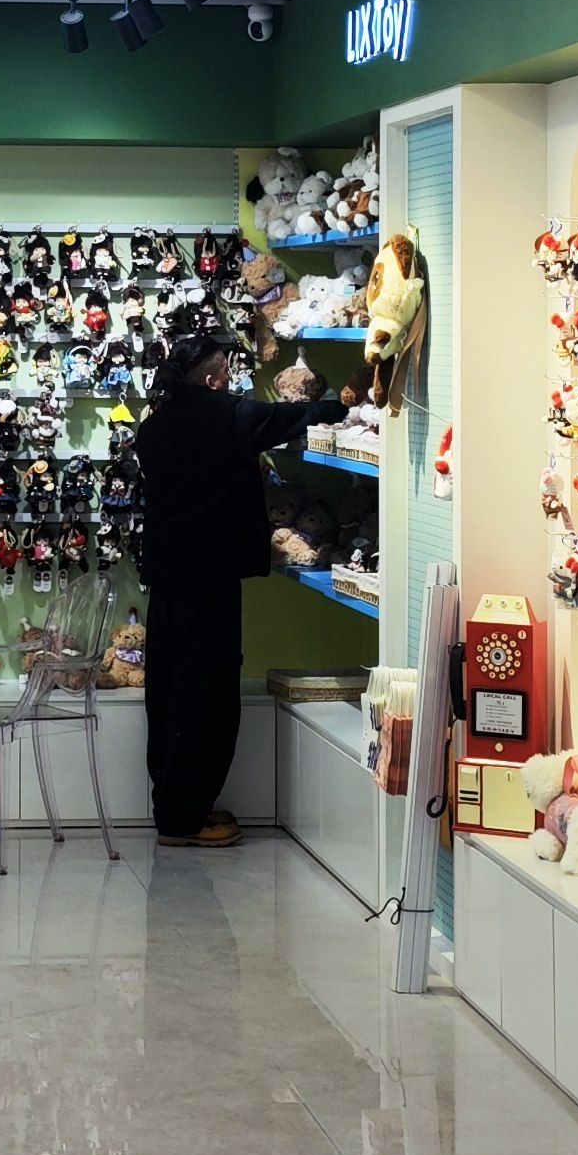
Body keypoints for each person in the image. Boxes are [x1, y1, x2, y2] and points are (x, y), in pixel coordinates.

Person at [130, 328, 343, 846]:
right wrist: (342, 406)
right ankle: (186, 819)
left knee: (168, 690)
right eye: (226, 371)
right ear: (210, 378)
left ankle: (174, 806)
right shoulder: (229, 415)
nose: (231, 380)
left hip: (168, 574)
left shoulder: (155, 425)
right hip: (212, 574)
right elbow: (291, 416)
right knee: (209, 694)